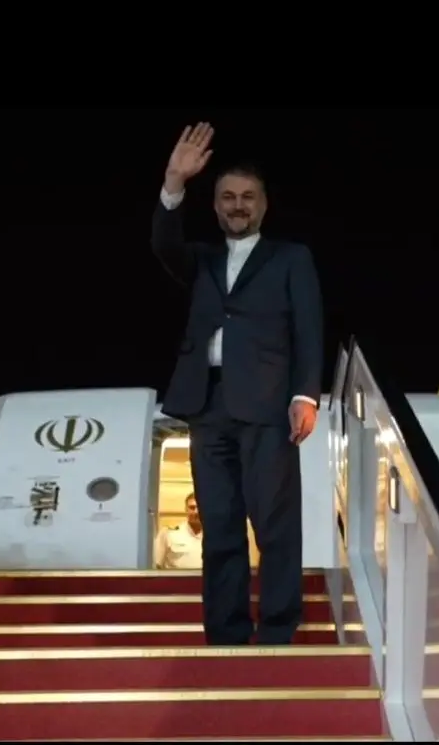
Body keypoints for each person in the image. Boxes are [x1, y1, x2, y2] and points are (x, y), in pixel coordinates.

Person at [151, 122, 322, 646]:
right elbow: (163, 243)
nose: (237, 205)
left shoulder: (290, 257)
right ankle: (225, 633)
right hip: (207, 404)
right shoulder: (201, 259)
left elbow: (308, 328)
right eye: (228, 197)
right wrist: (174, 182)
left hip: (268, 404)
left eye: (248, 197)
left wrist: (305, 394)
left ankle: (277, 629)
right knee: (220, 523)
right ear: (216, 205)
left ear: (263, 205)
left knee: (274, 523)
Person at [154, 493, 203, 569]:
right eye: (192, 507)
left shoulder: (214, 536)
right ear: (186, 509)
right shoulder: (168, 533)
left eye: (200, 507)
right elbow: (156, 565)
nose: (196, 512)